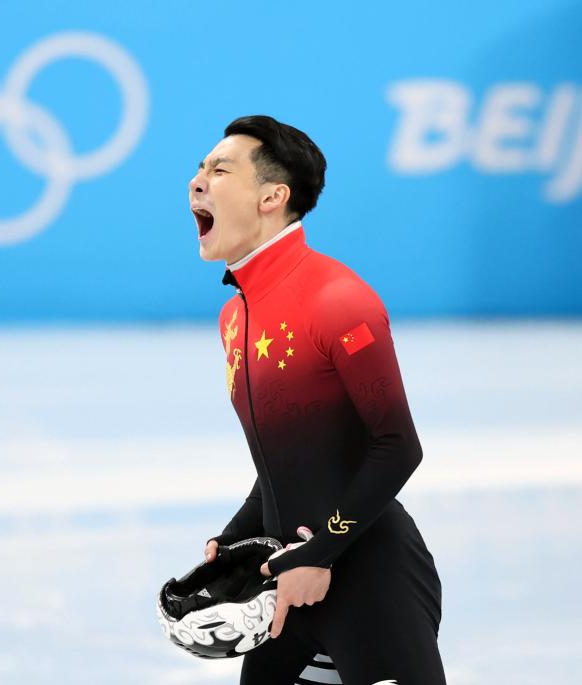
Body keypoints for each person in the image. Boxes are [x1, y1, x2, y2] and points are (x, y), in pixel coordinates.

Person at [191, 115, 446, 685]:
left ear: (272, 197)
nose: (197, 181)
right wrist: (232, 540)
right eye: (200, 168)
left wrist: (320, 552)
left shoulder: (338, 300)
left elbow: (397, 446)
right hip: (289, 586)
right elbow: (289, 460)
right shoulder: (235, 317)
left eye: (220, 170)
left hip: (373, 583)